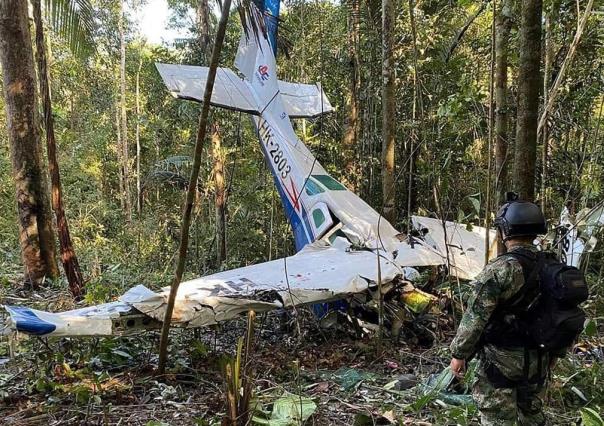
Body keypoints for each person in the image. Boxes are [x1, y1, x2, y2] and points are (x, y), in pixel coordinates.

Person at [449, 200, 564, 425]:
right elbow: (563, 312)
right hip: (539, 359)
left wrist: (459, 354)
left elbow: (475, 318)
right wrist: (557, 353)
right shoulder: (553, 267)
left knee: (497, 418)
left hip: (500, 361)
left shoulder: (500, 270)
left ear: (505, 231)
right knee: (532, 417)